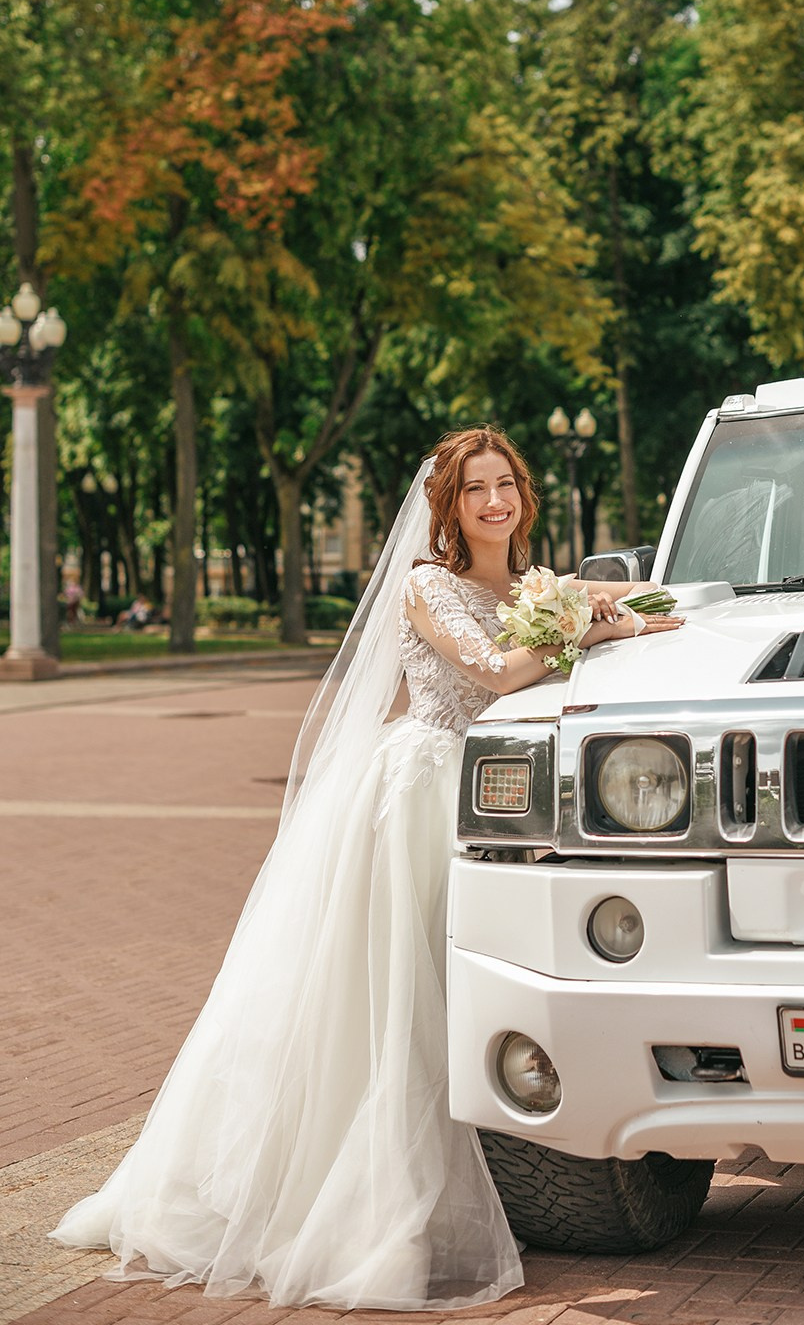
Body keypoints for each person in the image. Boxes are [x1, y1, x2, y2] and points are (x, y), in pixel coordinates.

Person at [50, 426, 683, 1312]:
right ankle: (379, 1206)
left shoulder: (533, 586)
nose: (494, 501)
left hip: (503, 801)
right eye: (475, 490)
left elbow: (652, 592)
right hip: (422, 796)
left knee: (473, 996)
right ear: (449, 506)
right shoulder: (429, 586)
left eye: (506, 485)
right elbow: (498, 675)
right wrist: (591, 625)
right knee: (398, 1006)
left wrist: (624, 610)